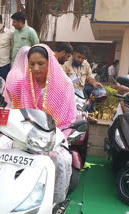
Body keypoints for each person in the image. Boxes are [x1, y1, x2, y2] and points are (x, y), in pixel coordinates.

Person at [6, 44, 76, 203]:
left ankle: (54, 201)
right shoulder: (21, 84)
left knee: (63, 160)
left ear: (49, 62)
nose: (36, 68)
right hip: (23, 133)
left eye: (41, 63)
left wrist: (50, 136)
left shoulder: (64, 85)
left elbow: (67, 119)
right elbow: (13, 109)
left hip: (54, 135)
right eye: (32, 64)